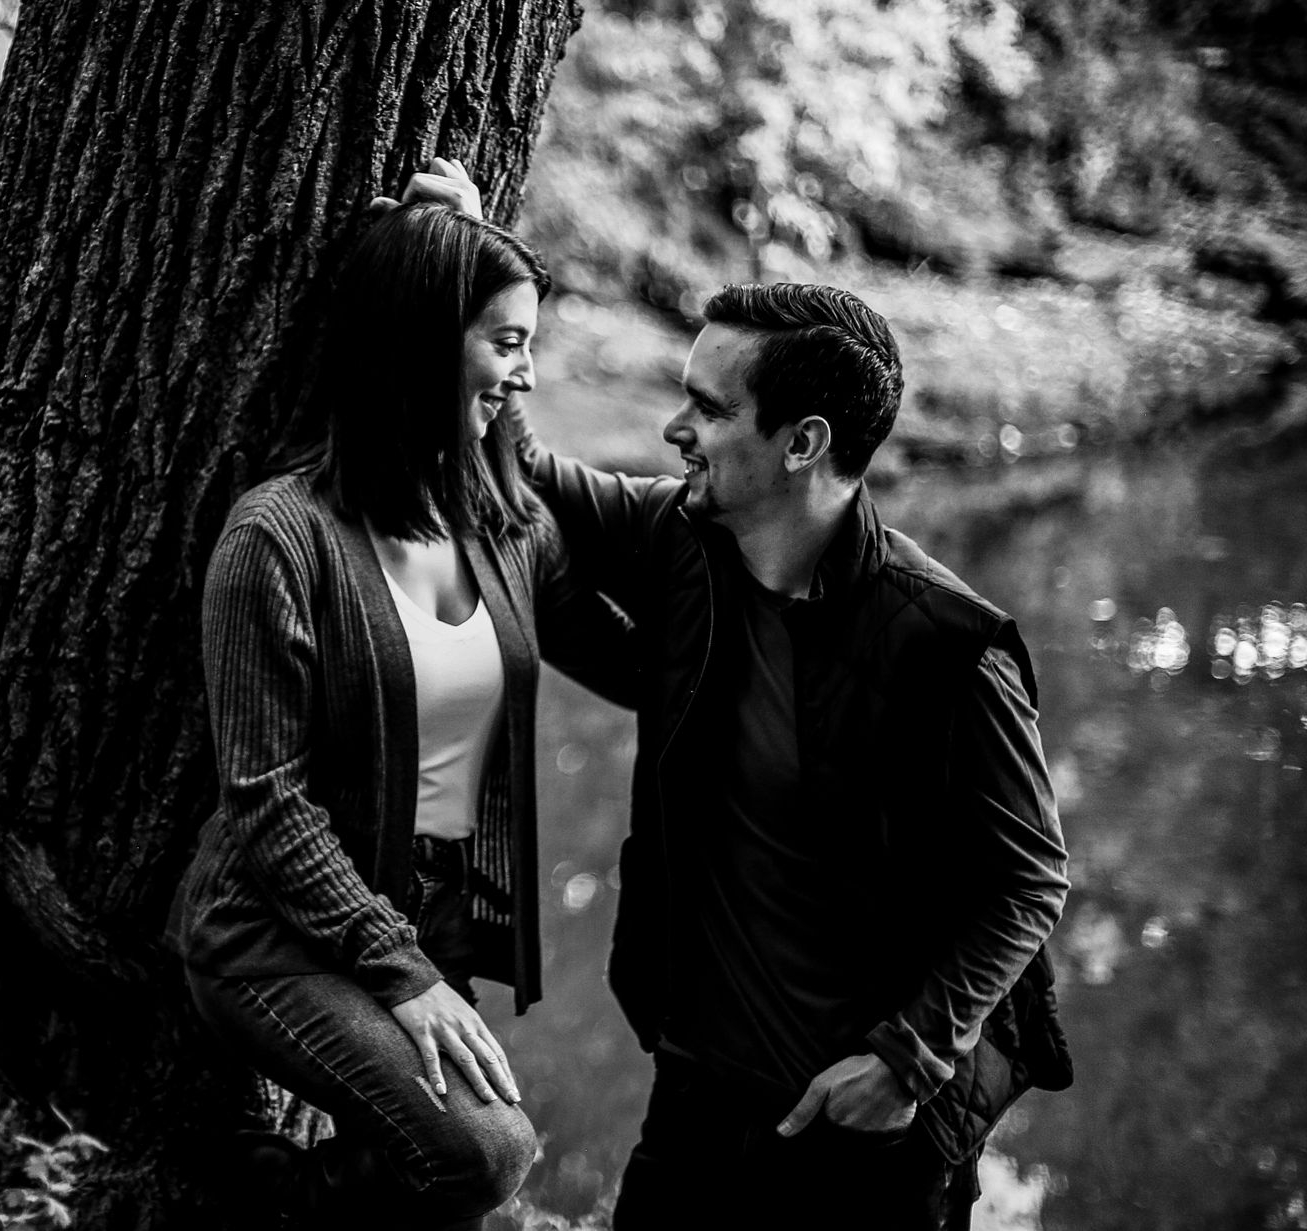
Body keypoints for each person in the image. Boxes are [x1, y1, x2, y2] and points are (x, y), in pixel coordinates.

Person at [401, 167, 1073, 1229]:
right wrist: (469, 265)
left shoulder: (948, 643)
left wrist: (903, 1061)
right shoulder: (677, 536)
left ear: (802, 442)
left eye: (707, 408)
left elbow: (1027, 879)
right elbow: (516, 470)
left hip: (863, 1129)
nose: (673, 428)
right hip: (697, 1089)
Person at [168, 170, 633, 1229]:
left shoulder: (499, 525)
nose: (527, 374)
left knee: (457, 1156)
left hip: (414, 926)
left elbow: (637, 666)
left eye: (529, 343)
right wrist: (404, 974)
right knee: (486, 1154)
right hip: (268, 933)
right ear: (421, 341)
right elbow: (268, 806)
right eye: (506, 343)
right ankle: (258, 1187)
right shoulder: (276, 539)